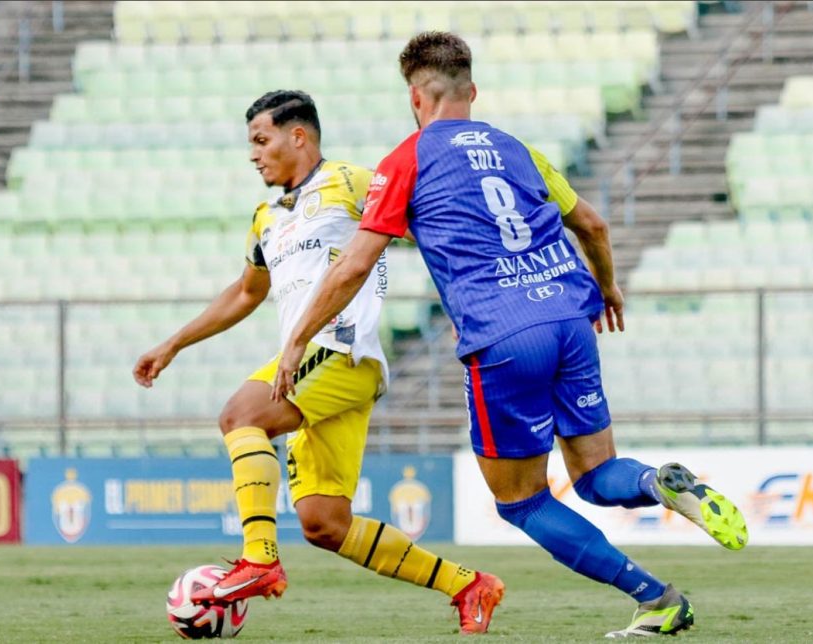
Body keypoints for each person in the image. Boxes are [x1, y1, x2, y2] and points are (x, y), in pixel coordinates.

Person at [278, 32, 748, 638]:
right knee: (596, 474)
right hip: (568, 317)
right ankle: (658, 483)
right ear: (471, 91)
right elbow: (594, 225)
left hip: (502, 337)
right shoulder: (517, 149)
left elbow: (353, 265)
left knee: (522, 501)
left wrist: (297, 340)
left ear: (416, 98)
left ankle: (656, 597)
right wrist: (606, 287)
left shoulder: (406, 160)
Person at [132, 90, 502, 634]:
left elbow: (428, 227)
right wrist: (174, 343)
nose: (253, 155)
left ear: (298, 136)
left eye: (261, 140)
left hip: (343, 349)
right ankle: (470, 585)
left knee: (241, 416)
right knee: (325, 524)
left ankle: (258, 558)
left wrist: (464, 300)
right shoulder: (265, 219)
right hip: (316, 367)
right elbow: (244, 293)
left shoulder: (352, 182)